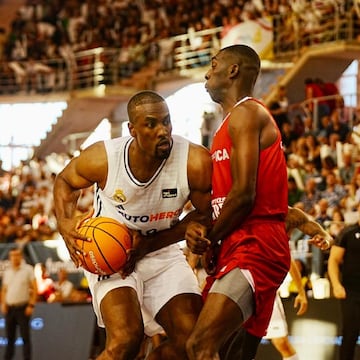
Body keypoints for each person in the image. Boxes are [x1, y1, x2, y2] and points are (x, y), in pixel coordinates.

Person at [53, 90, 212, 360]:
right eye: (151, 124)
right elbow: (65, 182)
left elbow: (206, 213)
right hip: (113, 257)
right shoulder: (105, 158)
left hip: (163, 253)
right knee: (126, 340)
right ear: (132, 129)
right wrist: (65, 223)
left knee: (194, 343)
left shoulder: (194, 160)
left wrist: (154, 243)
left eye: (167, 121)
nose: (163, 130)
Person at [184, 44, 291, 360]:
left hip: (255, 246)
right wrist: (207, 233)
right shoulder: (229, 123)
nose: (207, 72)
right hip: (239, 243)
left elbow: (245, 195)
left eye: (214, 64)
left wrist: (209, 239)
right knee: (231, 354)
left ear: (232, 70)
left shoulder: (247, 113)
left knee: (198, 346)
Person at [220, 205, 334, 360]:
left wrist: (301, 291)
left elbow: (293, 256)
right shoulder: (235, 209)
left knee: (280, 342)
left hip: (266, 291)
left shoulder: (285, 213)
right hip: (237, 286)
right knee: (232, 344)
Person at [328, 203, 360, 360]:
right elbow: (333, 260)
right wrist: (336, 284)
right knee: (350, 334)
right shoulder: (348, 233)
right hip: (351, 292)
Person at [1, 247, 38, 360]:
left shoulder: (28, 270)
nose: (15, 257)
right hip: (10, 308)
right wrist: (3, 303)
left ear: (21, 256)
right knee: (9, 338)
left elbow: (35, 288)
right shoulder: (7, 272)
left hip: (23, 307)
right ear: (10, 257)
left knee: (25, 338)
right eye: (12, 255)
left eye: (17, 255)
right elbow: (4, 289)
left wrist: (31, 304)